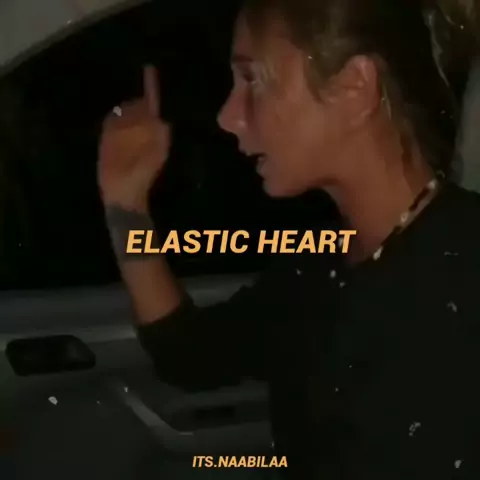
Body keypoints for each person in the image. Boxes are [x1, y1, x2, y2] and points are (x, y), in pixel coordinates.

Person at [97, 0, 480, 477]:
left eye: (252, 79)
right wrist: (126, 205)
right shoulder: (323, 261)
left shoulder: (461, 281)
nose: (227, 116)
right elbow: (189, 354)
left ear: (354, 87)